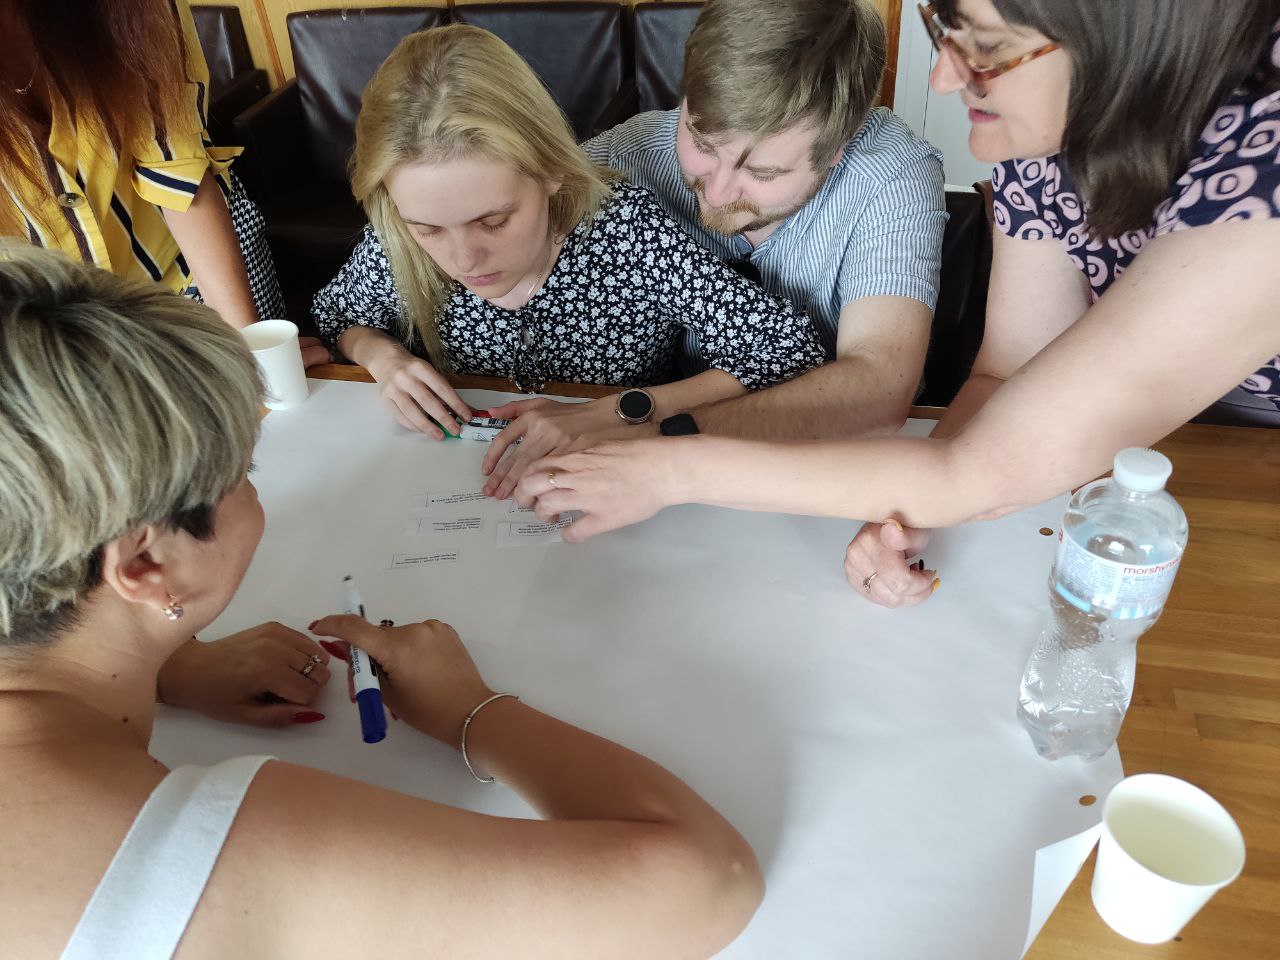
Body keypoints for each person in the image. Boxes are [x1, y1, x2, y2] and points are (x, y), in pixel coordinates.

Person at [0, 246, 763, 958]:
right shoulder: (192, 858)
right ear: (146, 562)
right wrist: (473, 710)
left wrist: (164, 667)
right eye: (242, 471)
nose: (257, 487)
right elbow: (709, 880)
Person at [514, 0, 1280, 608]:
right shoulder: (1037, 145)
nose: (944, 79)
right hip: (1136, 457)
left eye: (983, 45)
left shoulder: (1263, 169)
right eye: (943, 29)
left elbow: (974, 466)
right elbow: (1004, 371)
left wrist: (669, 467)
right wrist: (903, 520)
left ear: (1122, 33)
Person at [312, 25, 825, 500]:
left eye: (494, 221)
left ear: (552, 171)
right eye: (428, 230)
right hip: (453, 489)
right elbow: (337, 316)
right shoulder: (395, 235)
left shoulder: (625, 229)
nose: (464, 259)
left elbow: (786, 350)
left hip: (619, 488)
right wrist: (384, 358)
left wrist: (624, 410)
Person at [579, 0, 948, 441]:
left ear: (836, 151)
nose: (715, 194)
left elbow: (878, 389)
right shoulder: (625, 155)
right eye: (701, 142)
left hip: (838, 451)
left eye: (762, 173)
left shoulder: (893, 172)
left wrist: (661, 436)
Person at [0, 0, 328, 365]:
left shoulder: (133, 10)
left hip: (186, 273)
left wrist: (245, 345)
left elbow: (178, 171)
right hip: (36, 329)